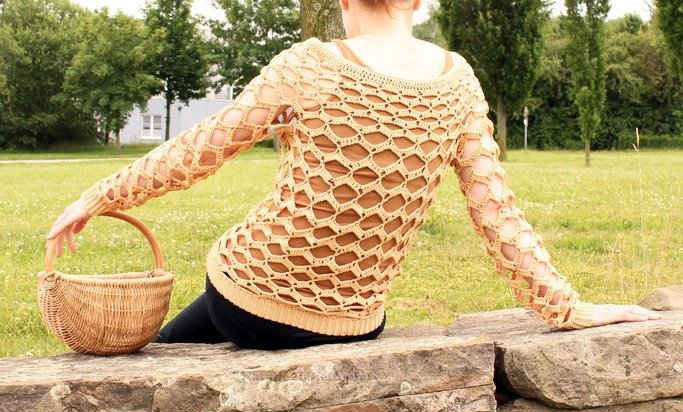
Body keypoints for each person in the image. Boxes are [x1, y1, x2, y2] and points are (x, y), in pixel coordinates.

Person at [46, 0, 663, 350]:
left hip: (249, 300)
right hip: (354, 322)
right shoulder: (458, 82)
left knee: (185, 333)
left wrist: (97, 197)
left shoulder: (311, 64)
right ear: (418, 2)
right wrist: (567, 307)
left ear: (344, 1)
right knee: (191, 330)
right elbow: (497, 214)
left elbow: (201, 147)